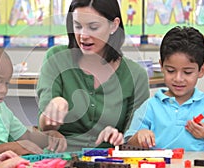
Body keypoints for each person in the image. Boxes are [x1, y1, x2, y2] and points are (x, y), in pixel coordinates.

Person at [36, 0, 150, 151]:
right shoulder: (56, 58)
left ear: (114, 25)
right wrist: (52, 112)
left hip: (109, 160)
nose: (83, 35)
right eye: (77, 26)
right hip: (59, 158)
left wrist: (118, 138)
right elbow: (44, 127)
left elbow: (132, 138)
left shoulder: (136, 75)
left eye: (93, 27)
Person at [124, 26, 204, 151]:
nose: (178, 78)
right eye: (170, 71)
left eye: (187, 72)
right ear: (161, 66)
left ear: (201, 70)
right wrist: (139, 136)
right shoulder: (150, 107)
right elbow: (127, 146)